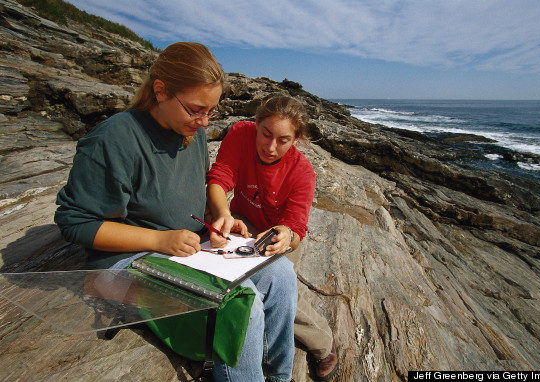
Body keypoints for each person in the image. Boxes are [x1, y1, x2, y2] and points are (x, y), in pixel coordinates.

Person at [54, 42, 297, 382]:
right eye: (196, 110)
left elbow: (184, 195)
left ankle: (279, 376)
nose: (204, 122)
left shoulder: (191, 133)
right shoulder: (114, 139)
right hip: (120, 265)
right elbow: (74, 223)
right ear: (160, 91)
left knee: (282, 274)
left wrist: (217, 217)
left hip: (186, 249)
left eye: (212, 111)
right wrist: (160, 239)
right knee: (243, 306)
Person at [206, 95, 339, 381]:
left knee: (282, 288)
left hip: (277, 235)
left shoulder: (302, 172)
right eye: (266, 134)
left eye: (283, 140)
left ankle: (322, 345)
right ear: (255, 124)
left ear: (297, 139)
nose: (270, 147)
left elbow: (296, 229)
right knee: (245, 282)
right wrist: (222, 212)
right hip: (242, 223)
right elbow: (220, 177)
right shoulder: (240, 134)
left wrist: (286, 235)